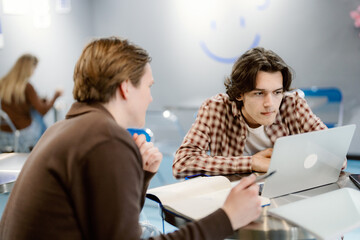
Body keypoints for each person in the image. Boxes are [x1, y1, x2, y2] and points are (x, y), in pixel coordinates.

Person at [0, 37, 262, 239]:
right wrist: (228, 217)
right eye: (148, 86)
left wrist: (141, 174)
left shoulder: (65, 129)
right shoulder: (106, 139)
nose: (150, 97)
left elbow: (112, 225)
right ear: (126, 87)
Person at [172, 47, 337, 179]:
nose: (270, 104)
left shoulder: (292, 104)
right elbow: (182, 163)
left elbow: (336, 157)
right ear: (239, 93)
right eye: (259, 93)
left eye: (277, 92)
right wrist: (252, 163)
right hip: (234, 201)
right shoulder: (216, 108)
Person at [0, 54, 63, 152]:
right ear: (28, 68)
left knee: (34, 112)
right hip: (23, 135)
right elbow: (42, 111)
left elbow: (16, 104)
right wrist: (56, 96)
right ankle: (48, 150)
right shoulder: (27, 87)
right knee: (38, 117)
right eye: (34, 69)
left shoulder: (2, 83)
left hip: (3, 135)